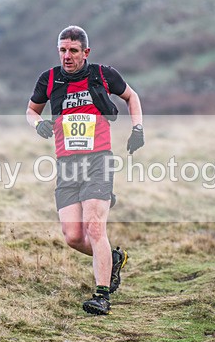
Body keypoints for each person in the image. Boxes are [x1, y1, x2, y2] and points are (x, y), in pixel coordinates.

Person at [26, 25, 144, 315]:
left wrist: (138, 128)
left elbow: (132, 96)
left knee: (94, 226)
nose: (67, 56)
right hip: (66, 164)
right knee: (74, 237)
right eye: (63, 50)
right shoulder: (49, 79)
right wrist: (37, 124)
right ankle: (113, 259)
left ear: (85, 52)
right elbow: (31, 110)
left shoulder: (103, 75)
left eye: (73, 51)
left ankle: (102, 295)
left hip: (98, 161)